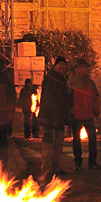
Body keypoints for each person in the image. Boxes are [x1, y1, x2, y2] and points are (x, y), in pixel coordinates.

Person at [37, 56, 71, 186]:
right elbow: (49, 100)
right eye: (59, 64)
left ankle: (55, 169)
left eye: (63, 64)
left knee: (58, 145)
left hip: (60, 119)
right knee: (48, 144)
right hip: (50, 119)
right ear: (55, 66)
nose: (61, 67)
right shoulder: (50, 79)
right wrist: (55, 118)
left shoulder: (63, 80)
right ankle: (46, 170)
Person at [69, 58, 101, 170]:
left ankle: (92, 161)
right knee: (76, 139)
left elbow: (96, 98)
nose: (84, 70)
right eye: (82, 67)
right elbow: (68, 97)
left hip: (88, 114)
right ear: (77, 69)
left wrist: (96, 112)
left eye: (85, 68)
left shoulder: (90, 83)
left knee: (92, 138)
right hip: (76, 113)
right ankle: (78, 162)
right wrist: (70, 110)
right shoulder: (72, 81)